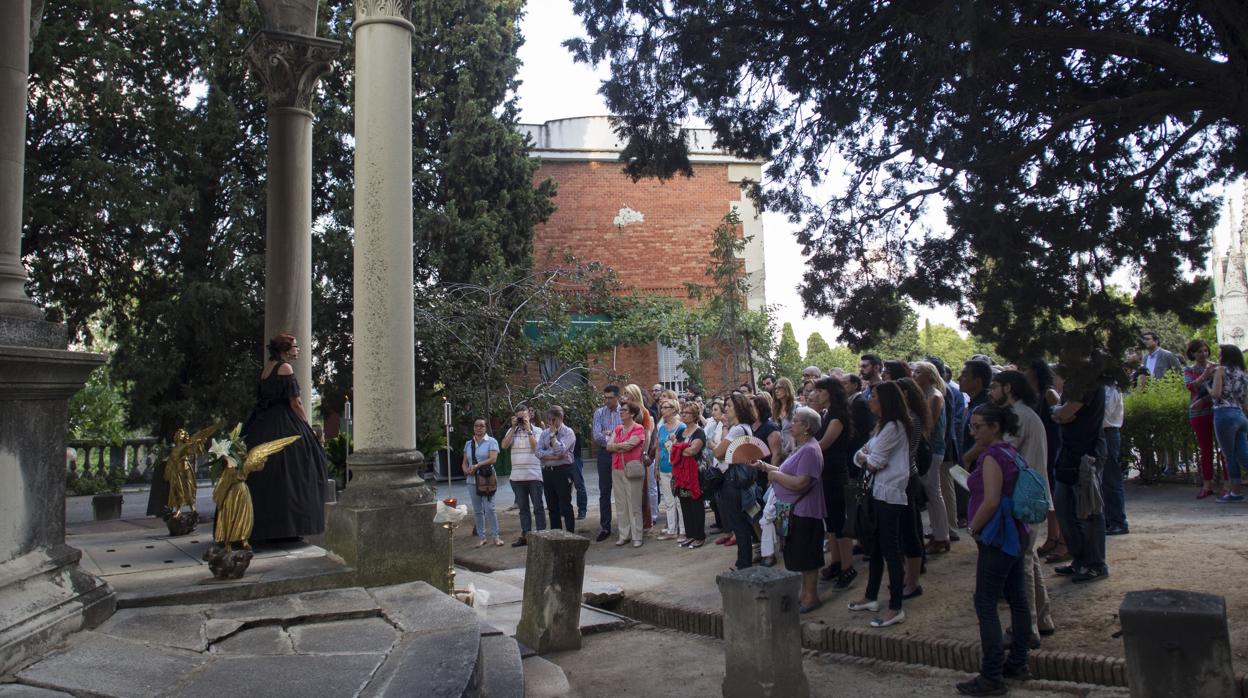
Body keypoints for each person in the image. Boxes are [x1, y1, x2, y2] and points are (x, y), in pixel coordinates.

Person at [957, 403, 1032, 696]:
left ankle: (992, 675)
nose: (972, 431)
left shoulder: (992, 457)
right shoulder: (1010, 452)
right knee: (1018, 599)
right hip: (1016, 532)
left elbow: (990, 501)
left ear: (995, 427)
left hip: (1000, 536)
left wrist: (974, 527)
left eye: (978, 426)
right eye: (971, 426)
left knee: (986, 603)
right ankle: (1018, 662)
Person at [990, 370, 1056, 646]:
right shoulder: (1027, 413)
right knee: (1029, 558)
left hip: (1024, 497)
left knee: (1023, 563)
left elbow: (1003, 452)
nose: (992, 392)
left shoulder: (1017, 416)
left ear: (1008, 388)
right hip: (1033, 495)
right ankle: (1042, 618)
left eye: (995, 387)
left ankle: (1027, 628)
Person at [242, 334, 329, 541]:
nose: (298, 349)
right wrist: (306, 425)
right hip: (283, 423)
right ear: (285, 349)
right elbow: (295, 402)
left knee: (268, 477)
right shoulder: (284, 368)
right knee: (298, 470)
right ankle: (289, 528)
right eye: (295, 346)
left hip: (262, 424)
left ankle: (264, 528)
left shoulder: (268, 367)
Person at [751, 406, 826, 612]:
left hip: (805, 510)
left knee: (807, 555)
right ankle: (804, 594)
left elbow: (801, 483)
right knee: (796, 554)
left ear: (807, 427)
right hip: (791, 510)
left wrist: (775, 476)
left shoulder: (810, 449)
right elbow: (786, 472)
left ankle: (811, 597)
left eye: (796, 421)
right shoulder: (801, 447)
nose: (791, 424)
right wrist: (764, 467)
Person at [849, 381, 910, 628]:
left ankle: (896, 606)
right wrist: (866, 458)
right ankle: (871, 596)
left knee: (890, 550)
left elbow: (874, 462)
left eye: (873, 396)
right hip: (876, 491)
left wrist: (865, 458)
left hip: (889, 493)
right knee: (873, 547)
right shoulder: (881, 427)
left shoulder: (894, 427)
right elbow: (861, 456)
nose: (869, 399)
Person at [1051, 370, 1109, 582]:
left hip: (1087, 454)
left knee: (1088, 510)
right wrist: (1059, 412)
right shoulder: (1073, 382)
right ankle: (1080, 560)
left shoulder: (1088, 381)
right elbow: (1062, 413)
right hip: (1069, 452)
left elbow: (1065, 413)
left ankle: (1095, 564)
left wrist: (1059, 411)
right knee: (1065, 509)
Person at [810, 377, 856, 589]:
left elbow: (825, 444)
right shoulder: (826, 414)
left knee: (839, 522)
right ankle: (837, 562)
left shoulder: (837, 416)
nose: (816, 394)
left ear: (829, 392)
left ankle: (848, 566)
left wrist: (804, 450)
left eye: (819, 391)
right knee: (830, 521)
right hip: (825, 473)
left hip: (835, 473)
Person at [1025, 359, 1067, 564]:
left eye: (1025, 367)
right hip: (1041, 445)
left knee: (1054, 492)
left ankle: (1060, 539)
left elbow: (1060, 418)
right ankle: (1053, 537)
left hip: (1051, 444)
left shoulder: (1049, 393)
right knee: (1048, 491)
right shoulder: (1031, 395)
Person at [712, 393, 758, 571]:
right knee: (742, 523)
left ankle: (743, 564)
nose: (726, 409)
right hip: (741, 478)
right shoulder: (746, 427)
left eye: (729, 406)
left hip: (732, 479)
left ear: (739, 408)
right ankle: (744, 562)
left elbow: (718, 453)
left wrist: (716, 443)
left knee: (738, 524)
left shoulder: (737, 429)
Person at [913, 361, 952, 554]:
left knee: (934, 493)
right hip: (929, 449)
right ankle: (939, 533)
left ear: (929, 376)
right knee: (931, 493)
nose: (914, 374)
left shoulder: (934, 396)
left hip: (933, 449)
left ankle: (942, 536)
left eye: (918, 372)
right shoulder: (925, 395)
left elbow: (928, 426)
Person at [503, 405, 545, 547]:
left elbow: (536, 447)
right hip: (517, 477)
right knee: (523, 509)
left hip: (534, 476)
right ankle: (526, 535)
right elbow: (504, 445)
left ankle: (541, 536)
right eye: (519, 417)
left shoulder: (538, 430)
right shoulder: (511, 431)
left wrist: (528, 430)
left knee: (538, 508)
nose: (521, 420)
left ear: (530, 416)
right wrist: (513, 428)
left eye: (524, 417)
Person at [607, 402, 648, 546]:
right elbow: (608, 447)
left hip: (632, 469)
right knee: (621, 504)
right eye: (621, 410)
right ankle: (624, 534)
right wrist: (620, 447)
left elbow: (631, 445)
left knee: (634, 503)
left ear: (632, 414)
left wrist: (616, 446)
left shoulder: (639, 428)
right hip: (617, 468)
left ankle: (637, 536)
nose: (621, 412)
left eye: (624, 410)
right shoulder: (618, 429)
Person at [1210, 344, 1248, 503]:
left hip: (1224, 414)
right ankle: (1235, 492)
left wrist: (1208, 387)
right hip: (1240, 415)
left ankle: (1235, 493)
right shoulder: (1244, 375)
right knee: (1244, 454)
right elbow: (1246, 404)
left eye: (1220, 354)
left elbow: (1217, 394)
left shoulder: (1220, 371)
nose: (1219, 357)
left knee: (1230, 457)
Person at [1184, 340, 1219, 498]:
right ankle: (1207, 484)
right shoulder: (1189, 369)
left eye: (1205, 350)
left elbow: (1221, 388)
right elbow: (1191, 386)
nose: (1203, 354)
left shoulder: (1216, 367)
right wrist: (1205, 375)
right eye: (1199, 351)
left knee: (1224, 450)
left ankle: (1228, 484)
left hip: (1216, 409)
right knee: (1206, 450)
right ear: (1192, 354)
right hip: (1198, 413)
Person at [671, 402, 707, 548]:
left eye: (687, 413)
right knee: (684, 503)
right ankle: (690, 535)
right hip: (681, 474)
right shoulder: (681, 432)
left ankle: (699, 536)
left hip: (696, 474)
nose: (683, 415)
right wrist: (680, 448)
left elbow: (693, 451)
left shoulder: (699, 432)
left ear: (695, 416)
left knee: (696, 504)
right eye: (683, 412)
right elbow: (678, 450)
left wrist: (677, 447)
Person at [536, 406, 577, 533]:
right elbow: (538, 452)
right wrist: (554, 456)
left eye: (553, 419)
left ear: (561, 418)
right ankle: (556, 534)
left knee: (565, 505)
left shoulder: (568, 432)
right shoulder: (544, 433)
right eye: (548, 419)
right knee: (552, 506)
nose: (550, 422)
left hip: (563, 471)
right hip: (548, 472)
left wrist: (553, 436)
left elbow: (560, 450)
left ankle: (570, 534)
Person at [464, 418, 503, 547]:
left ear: (486, 428)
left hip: (487, 479)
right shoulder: (469, 444)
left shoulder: (491, 442)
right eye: (476, 426)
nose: (478, 428)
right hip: (471, 480)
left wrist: (477, 465)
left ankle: (496, 536)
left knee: (490, 508)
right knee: (477, 510)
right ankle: (482, 537)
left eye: (481, 426)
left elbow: (493, 459)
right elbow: (465, 461)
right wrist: (465, 469)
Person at [591, 385, 623, 542]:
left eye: (610, 397)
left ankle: (624, 526)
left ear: (617, 397)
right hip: (604, 454)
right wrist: (612, 439)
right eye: (605, 397)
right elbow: (596, 435)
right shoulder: (599, 412)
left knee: (622, 490)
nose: (607, 401)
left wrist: (610, 436)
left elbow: (625, 434)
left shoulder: (623, 411)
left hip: (621, 452)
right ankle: (605, 526)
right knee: (604, 491)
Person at [653, 397, 685, 540]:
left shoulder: (681, 427)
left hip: (676, 468)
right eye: (662, 407)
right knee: (669, 501)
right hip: (664, 468)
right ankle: (672, 529)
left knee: (679, 500)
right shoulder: (661, 428)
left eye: (666, 407)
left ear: (673, 410)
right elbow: (658, 449)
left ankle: (683, 530)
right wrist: (656, 467)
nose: (662, 410)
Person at [1101, 380, 1128, 535]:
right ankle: (1108, 519)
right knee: (1102, 479)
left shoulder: (1112, 388)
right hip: (1102, 433)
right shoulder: (1100, 387)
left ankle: (1118, 521)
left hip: (1108, 433)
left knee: (1111, 479)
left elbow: (1104, 412)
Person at [773, 377, 798, 460]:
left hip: (794, 450)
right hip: (778, 452)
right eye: (775, 388)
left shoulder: (796, 407)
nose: (776, 391)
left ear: (787, 388)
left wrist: (793, 450)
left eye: (779, 388)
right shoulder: (775, 409)